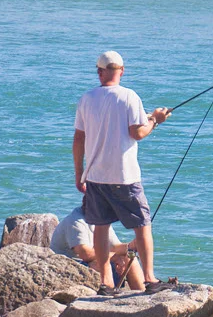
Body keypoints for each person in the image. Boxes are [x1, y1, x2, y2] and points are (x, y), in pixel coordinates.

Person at [72, 50, 174, 295]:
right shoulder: (129, 96)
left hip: (95, 175)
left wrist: (79, 173)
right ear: (122, 71)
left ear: (99, 72)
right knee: (142, 225)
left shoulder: (87, 98)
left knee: (101, 226)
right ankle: (150, 279)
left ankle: (106, 283)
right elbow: (137, 133)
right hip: (124, 176)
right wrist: (157, 119)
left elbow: (79, 139)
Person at [50, 195, 147, 292]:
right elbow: (85, 254)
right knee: (98, 262)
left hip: (86, 262)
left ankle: (142, 293)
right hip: (70, 267)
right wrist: (114, 257)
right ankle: (109, 293)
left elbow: (114, 246)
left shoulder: (100, 220)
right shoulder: (75, 221)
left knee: (129, 257)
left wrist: (131, 247)